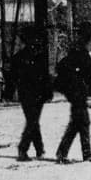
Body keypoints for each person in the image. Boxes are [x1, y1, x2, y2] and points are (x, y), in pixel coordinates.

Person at [55, 21, 91, 162]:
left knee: (79, 122)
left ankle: (84, 154)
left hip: (76, 91)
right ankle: (64, 153)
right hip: (76, 91)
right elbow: (89, 69)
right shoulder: (79, 49)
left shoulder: (77, 48)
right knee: (80, 122)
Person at [15, 30, 52, 160]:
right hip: (37, 94)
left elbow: (13, 77)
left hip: (25, 94)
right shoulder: (39, 57)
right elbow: (45, 77)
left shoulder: (18, 57)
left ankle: (39, 149)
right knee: (33, 121)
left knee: (33, 121)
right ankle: (23, 149)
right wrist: (48, 92)